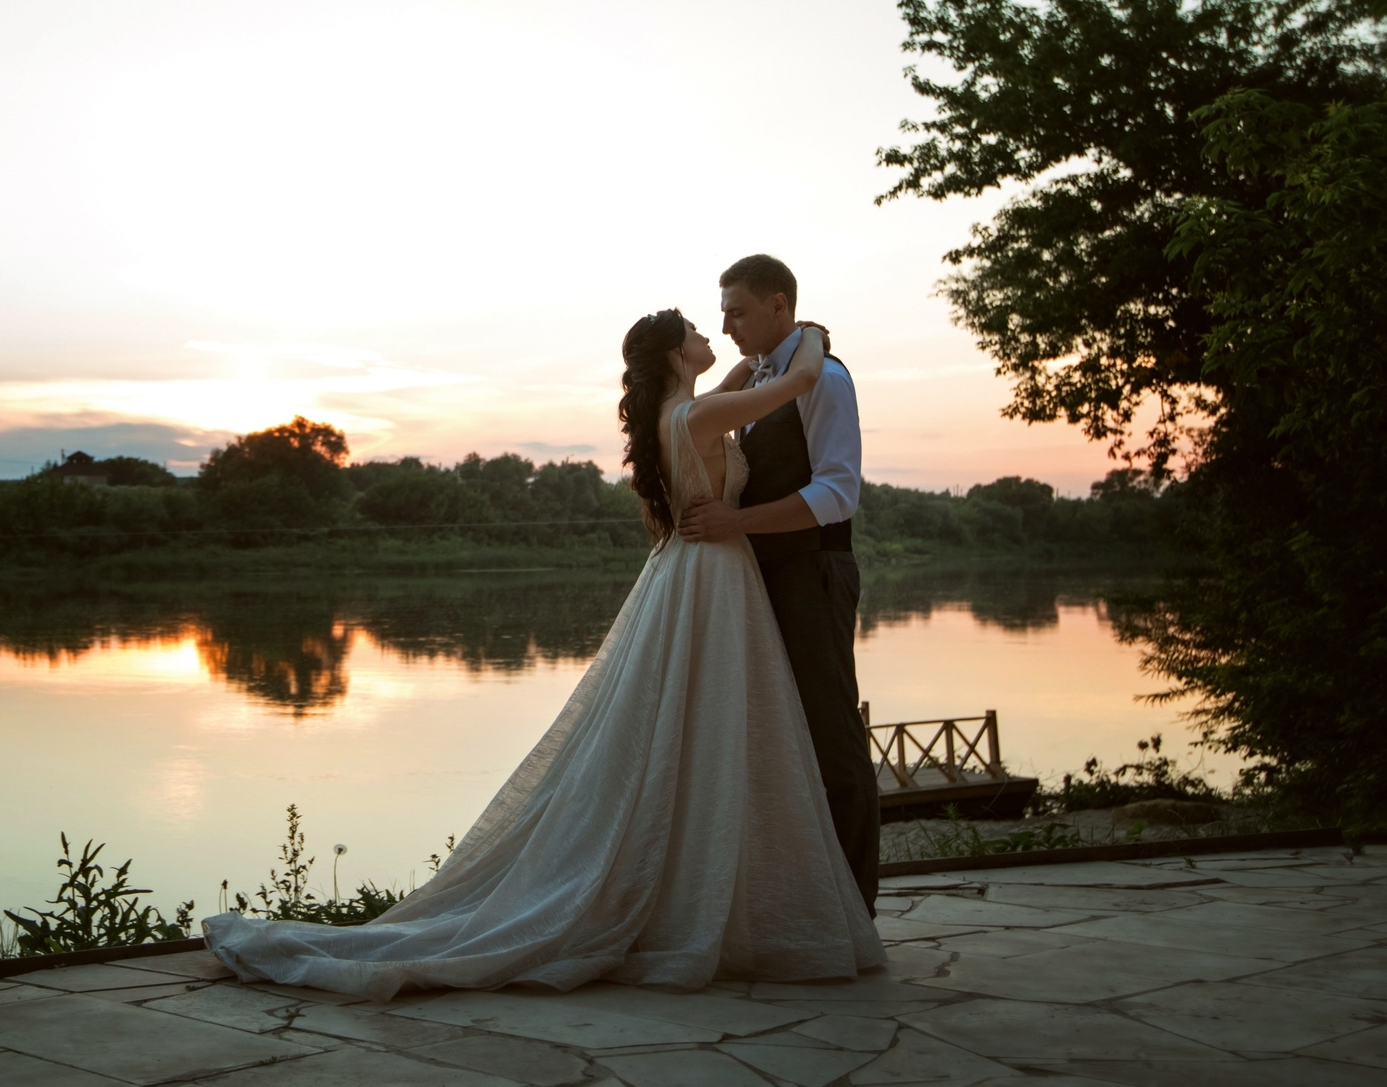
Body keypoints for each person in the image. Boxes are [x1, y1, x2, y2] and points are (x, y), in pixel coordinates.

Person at [202, 309, 883, 1001]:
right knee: (710, 727)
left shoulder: (680, 415)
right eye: (698, 331)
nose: (714, 334)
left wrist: (757, 353)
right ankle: (691, 890)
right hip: (714, 575)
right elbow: (797, 379)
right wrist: (817, 331)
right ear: (677, 353)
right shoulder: (700, 418)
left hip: (693, 572)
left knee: (688, 727)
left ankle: (695, 877)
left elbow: (745, 377)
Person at [678, 254, 878, 911]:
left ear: (778, 306)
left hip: (814, 571)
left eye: (736, 309)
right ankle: (803, 897)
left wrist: (737, 523)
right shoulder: (773, 378)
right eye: (722, 312)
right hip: (766, 575)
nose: (727, 323)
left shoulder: (826, 382)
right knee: (775, 736)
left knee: (830, 735)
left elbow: (837, 492)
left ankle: (855, 905)